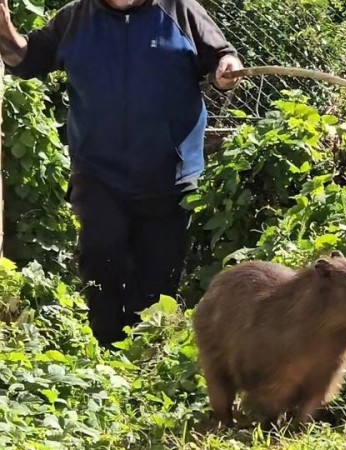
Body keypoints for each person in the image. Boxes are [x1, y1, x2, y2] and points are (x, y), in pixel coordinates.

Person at [0, 0, 243, 347]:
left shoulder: (179, 10)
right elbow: (28, 60)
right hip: (98, 172)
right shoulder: (76, 17)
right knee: (101, 260)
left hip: (168, 174)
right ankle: (103, 351)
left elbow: (222, 57)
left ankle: (149, 357)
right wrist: (5, 30)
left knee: (158, 278)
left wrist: (226, 68)